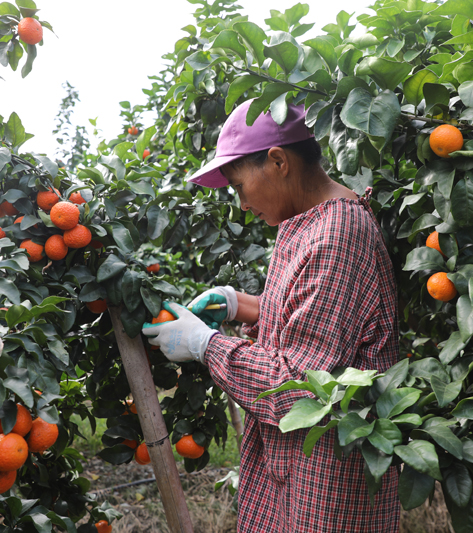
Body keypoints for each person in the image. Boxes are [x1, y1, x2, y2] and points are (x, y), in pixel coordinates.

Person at [142, 99, 400, 532]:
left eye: (239, 186)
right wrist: (239, 303)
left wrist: (205, 345)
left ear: (278, 161)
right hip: (292, 465)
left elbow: (301, 384)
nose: (241, 203)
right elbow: (314, 320)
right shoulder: (303, 219)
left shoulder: (338, 235)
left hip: (324, 480)